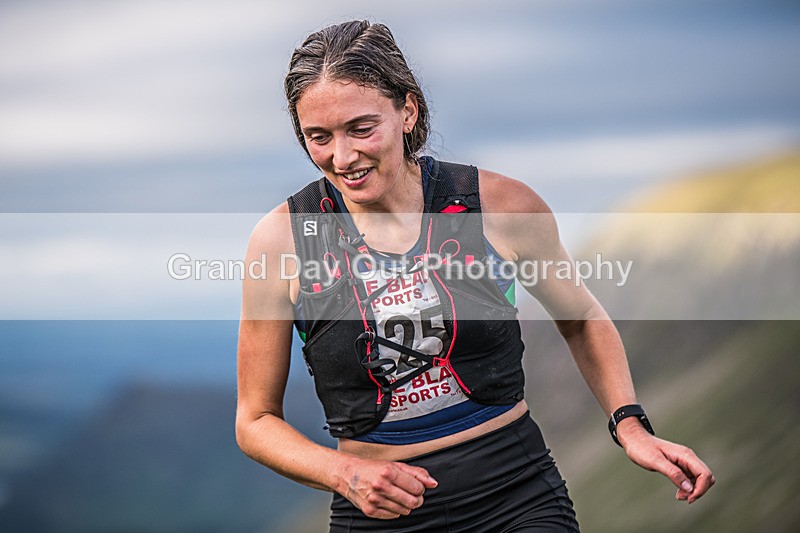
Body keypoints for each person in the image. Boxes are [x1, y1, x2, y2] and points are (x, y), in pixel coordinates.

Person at [235, 20, 714, 532]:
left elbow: (580, 319)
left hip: (516, 496)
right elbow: (255, 420)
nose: (343, 156)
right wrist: (342, 472)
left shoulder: (500, 206)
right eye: (319, 137)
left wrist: (631, 425)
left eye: (361, 128)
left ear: (407, 110)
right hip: (377, 514)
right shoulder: (283, 239)